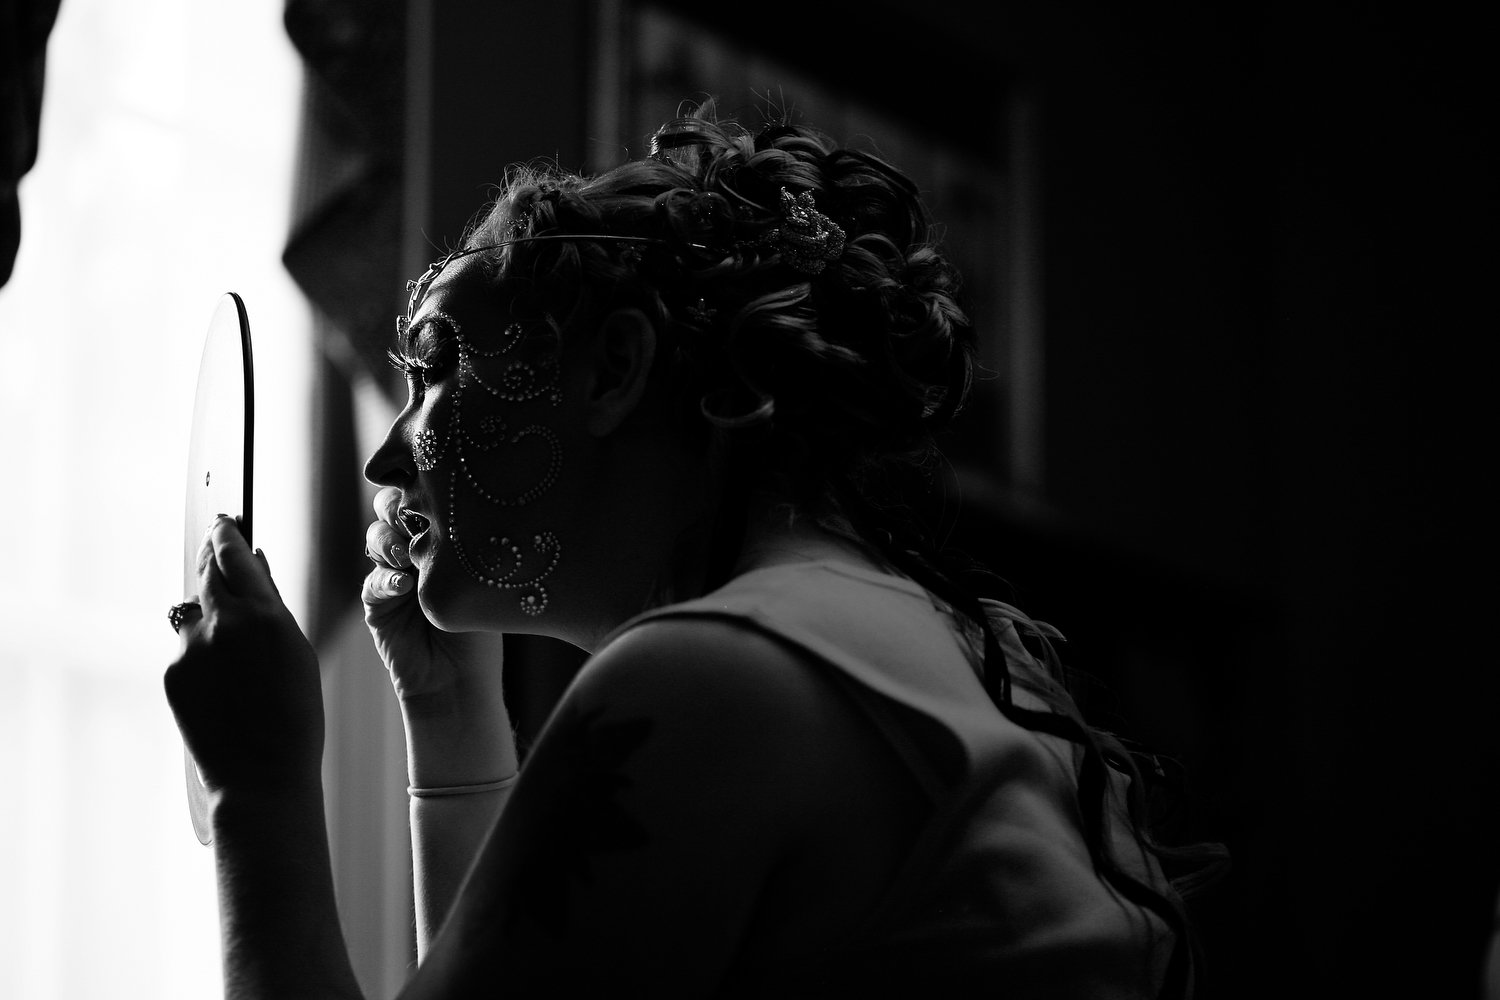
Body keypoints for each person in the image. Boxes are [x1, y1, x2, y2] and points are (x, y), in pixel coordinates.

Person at [165, 101, 1224, 998]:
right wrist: (450, 716)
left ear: (612, 368)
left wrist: (252, 791)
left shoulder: (712, 676)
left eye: (437, 368)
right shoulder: (862, 632)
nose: (389, 460)